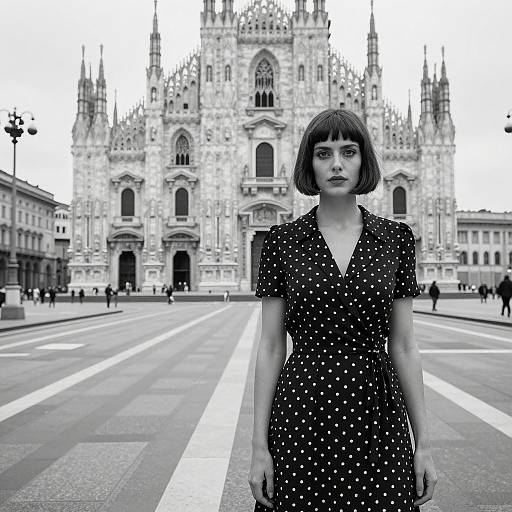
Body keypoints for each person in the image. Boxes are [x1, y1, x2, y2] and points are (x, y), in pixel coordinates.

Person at [249, 109, 436, 512]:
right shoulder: (281, 242)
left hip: (377, 412)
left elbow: (403, 346)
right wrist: (258, 446)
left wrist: (424, 445)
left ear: (364, 160)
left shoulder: (395, 240)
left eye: (348, 151)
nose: (336, 164)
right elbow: (269, 347)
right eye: (323, 153)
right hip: (303, 411)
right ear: (308, 165)